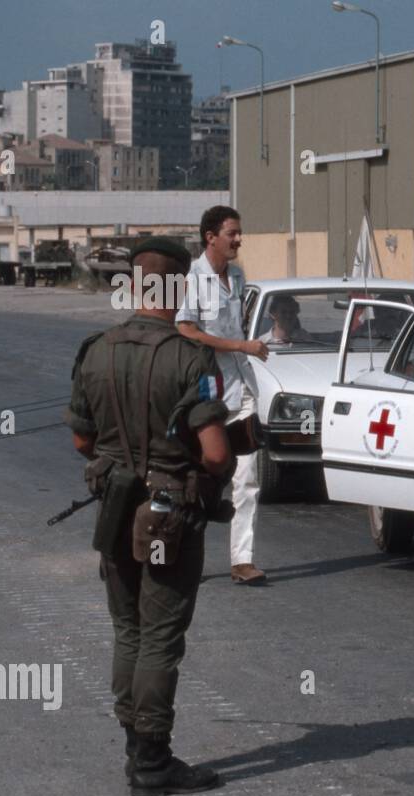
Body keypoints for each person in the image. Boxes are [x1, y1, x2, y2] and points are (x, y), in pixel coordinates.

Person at [64, 237, 231, 796]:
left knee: (128, 629)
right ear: (178, 286)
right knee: (160, 635)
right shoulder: (191, 357)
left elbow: (82, 438)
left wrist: (116, 460)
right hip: (168, 518)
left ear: (134, 285)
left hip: (115, 511)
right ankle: (154, 765)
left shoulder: (96, 349)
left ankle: (135, 750)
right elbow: (214, 453)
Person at [176, 205, 270, 585]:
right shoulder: (192, 280)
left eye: (239, 232)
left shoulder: (238, 276)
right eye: (231, 233)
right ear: (210, 236)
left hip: (243, 388)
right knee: (198, 475)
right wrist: (240, 346)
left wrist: (245, 349)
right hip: (207, 391)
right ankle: (180, 553)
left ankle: (242, 560)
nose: (238, 240)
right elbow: (187, 330)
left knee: (247, 480)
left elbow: (238, 325)